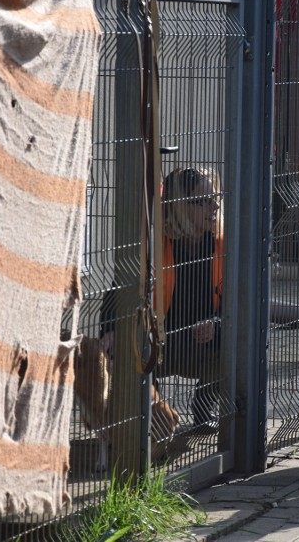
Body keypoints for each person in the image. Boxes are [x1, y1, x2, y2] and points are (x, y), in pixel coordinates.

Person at [101, 167, 224, 432]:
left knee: (237, 341)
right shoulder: (157, 245)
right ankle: (151, 414)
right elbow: (118, 291)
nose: (214, 206)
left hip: (203, 345)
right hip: (159, 345)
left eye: (216, 198)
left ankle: (204, 407)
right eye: (204, 201)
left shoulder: (222, 246)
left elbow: (237, 306)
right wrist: (109, 331)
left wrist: (217, 323)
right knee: (128, 344)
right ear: (180, 207)